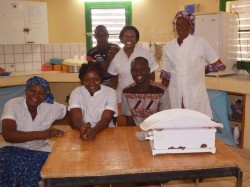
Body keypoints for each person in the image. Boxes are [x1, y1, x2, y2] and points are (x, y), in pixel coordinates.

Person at [0, 76, 66, 187]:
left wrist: (82, 126)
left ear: (45, 95)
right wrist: (42, 134)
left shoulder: (50, 106)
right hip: (12, 147)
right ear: (26, 91)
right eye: (32, 91)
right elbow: (8, 135)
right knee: (6, 165)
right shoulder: (13, 105)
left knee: (34, 172)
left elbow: (69, 114)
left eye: (41, 93)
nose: (36, 96)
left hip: (40, 150)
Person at [161, 10, 226, 118]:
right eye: (177, 24)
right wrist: (160, 93)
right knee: (177, 123)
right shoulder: (169, 47)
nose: (180, 27)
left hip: (195, 94)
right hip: (175, 94)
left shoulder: (200, 42)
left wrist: (202, 70)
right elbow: (166, 74)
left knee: (197, 124)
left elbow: (219, 64)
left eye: (183, 24)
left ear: (190, 26)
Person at [108, 25, 159, 103]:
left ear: (136, 39)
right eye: (126, 36)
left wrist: (150, 92)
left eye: (132, 36)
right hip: (122, 96)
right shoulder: (117, 55)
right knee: (124, 115)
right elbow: (113, 78)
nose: (129, 39)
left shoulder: (144, 53)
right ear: (122, 38)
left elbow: (152, 74)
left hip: (142, 95)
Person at [68, 62, 118, 141]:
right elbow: (76, 118)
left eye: (96, 80)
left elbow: (106, 118)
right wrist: (84, 128)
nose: (92, 84)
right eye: (86, 80)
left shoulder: (110, 92)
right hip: (82, 131)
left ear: (101, 78)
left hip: (106, 132)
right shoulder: (76, 93)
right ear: (82, 80)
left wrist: (94, 130)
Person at [122, 57, 170, 126]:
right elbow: (129, 121)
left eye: (142, 69)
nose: (138, 73)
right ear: (131, 72)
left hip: (156, 130)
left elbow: (164, 118)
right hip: (135, 131)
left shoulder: (161, 91)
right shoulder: (126, 92)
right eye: (134, 70)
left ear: (148, 70)